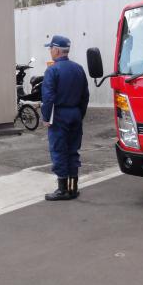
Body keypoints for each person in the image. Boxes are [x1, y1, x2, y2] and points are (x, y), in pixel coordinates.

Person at [41, 35, 89, 201]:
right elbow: (85, 96)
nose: (50, 51)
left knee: (59, 150)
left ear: (56, 50)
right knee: (73, 150)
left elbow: (48, 98)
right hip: (75, 113)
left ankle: (62, 189)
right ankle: (73, 187)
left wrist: (46, 117)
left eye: (50, 49)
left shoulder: (52, 70)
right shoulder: (78, 68)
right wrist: (79, 113)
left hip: (59, 115)